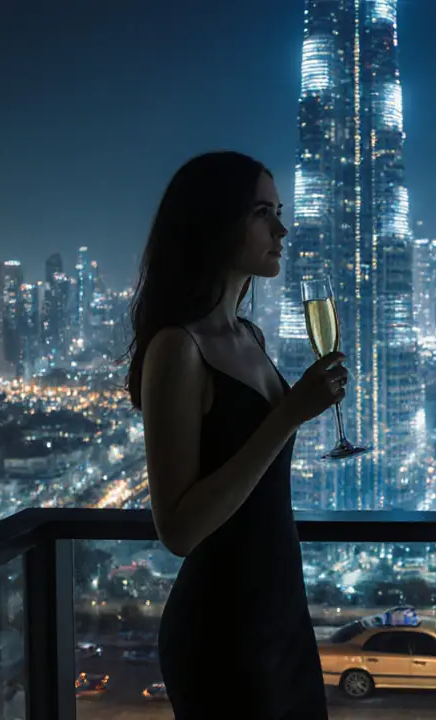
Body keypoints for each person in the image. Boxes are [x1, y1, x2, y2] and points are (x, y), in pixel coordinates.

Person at [126, 151, 346, 718]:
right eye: (262, 212)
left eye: (279, 210)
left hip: (279, 613)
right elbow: (178, 529)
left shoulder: (248, 335)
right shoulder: (177, 348)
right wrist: (289, 415)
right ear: (216, 223)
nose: (282, 227)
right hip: (223, 630)